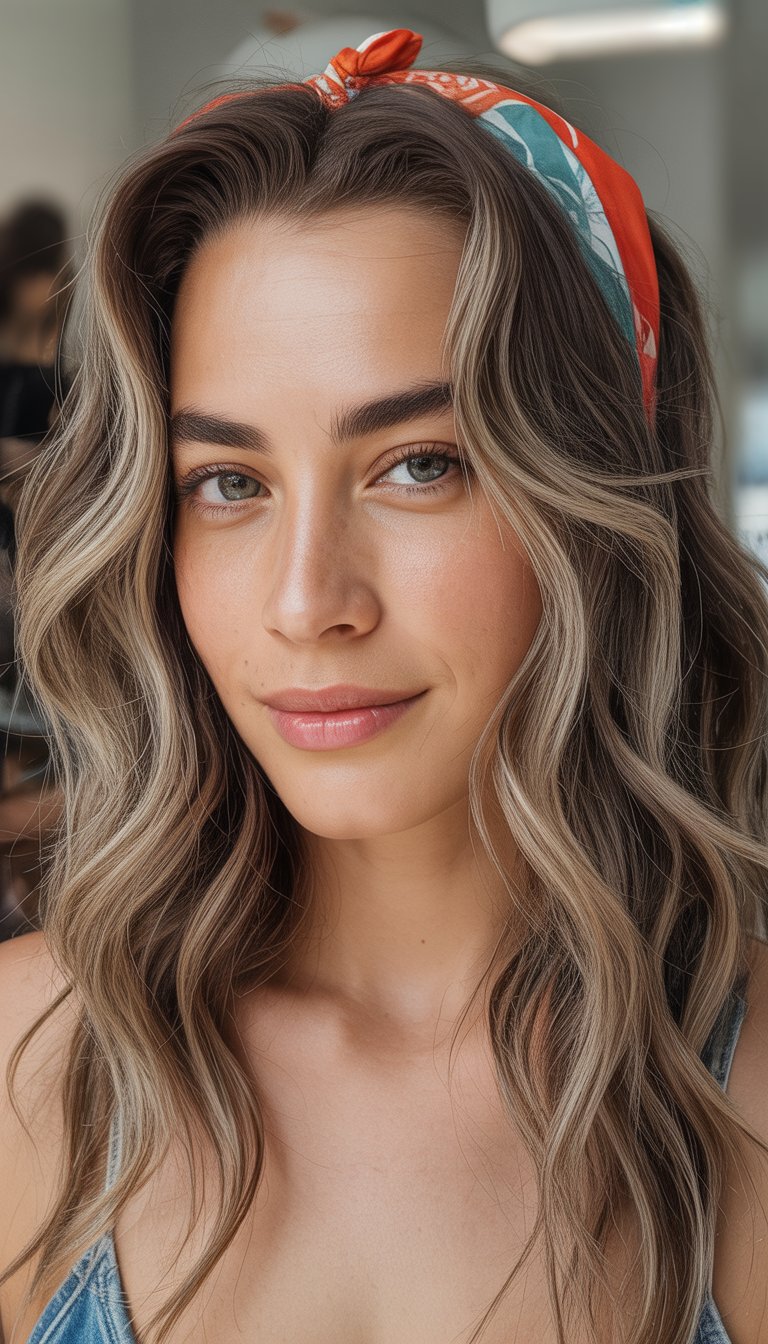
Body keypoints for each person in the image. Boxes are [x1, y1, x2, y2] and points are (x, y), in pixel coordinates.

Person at [1, 26, 767, 1344]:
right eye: (228, 483)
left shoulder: (742, 1102)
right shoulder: (28, 1068)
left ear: (594, 501)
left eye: (419, 464)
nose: (308, 603)